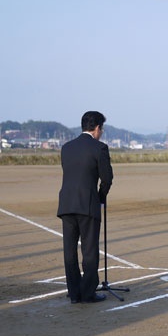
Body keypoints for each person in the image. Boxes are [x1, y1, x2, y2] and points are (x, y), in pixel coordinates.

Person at [57, 111, 113, 304]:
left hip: (66, 204)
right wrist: (100, 198)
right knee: (89, 251)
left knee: (69, 251)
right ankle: (87, 293)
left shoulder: (66, 148)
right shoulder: (100, 148)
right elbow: (107, 179)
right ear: (97, 128)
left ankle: (74, 293)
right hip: (88, 204)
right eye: (102, 129)